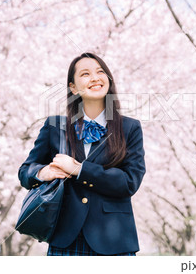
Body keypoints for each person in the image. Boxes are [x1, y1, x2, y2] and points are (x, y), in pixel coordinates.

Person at [18, 52, 146, 256]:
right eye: (85, 74)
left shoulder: (129, 127)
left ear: (108, 80)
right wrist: (43, 172)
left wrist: (79, 169)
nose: (95, 78)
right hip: (65, 239)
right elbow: (25, 172)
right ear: (73, 87)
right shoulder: (54, 126)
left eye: (100, 71)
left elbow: (129, 182)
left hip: (114, 241)